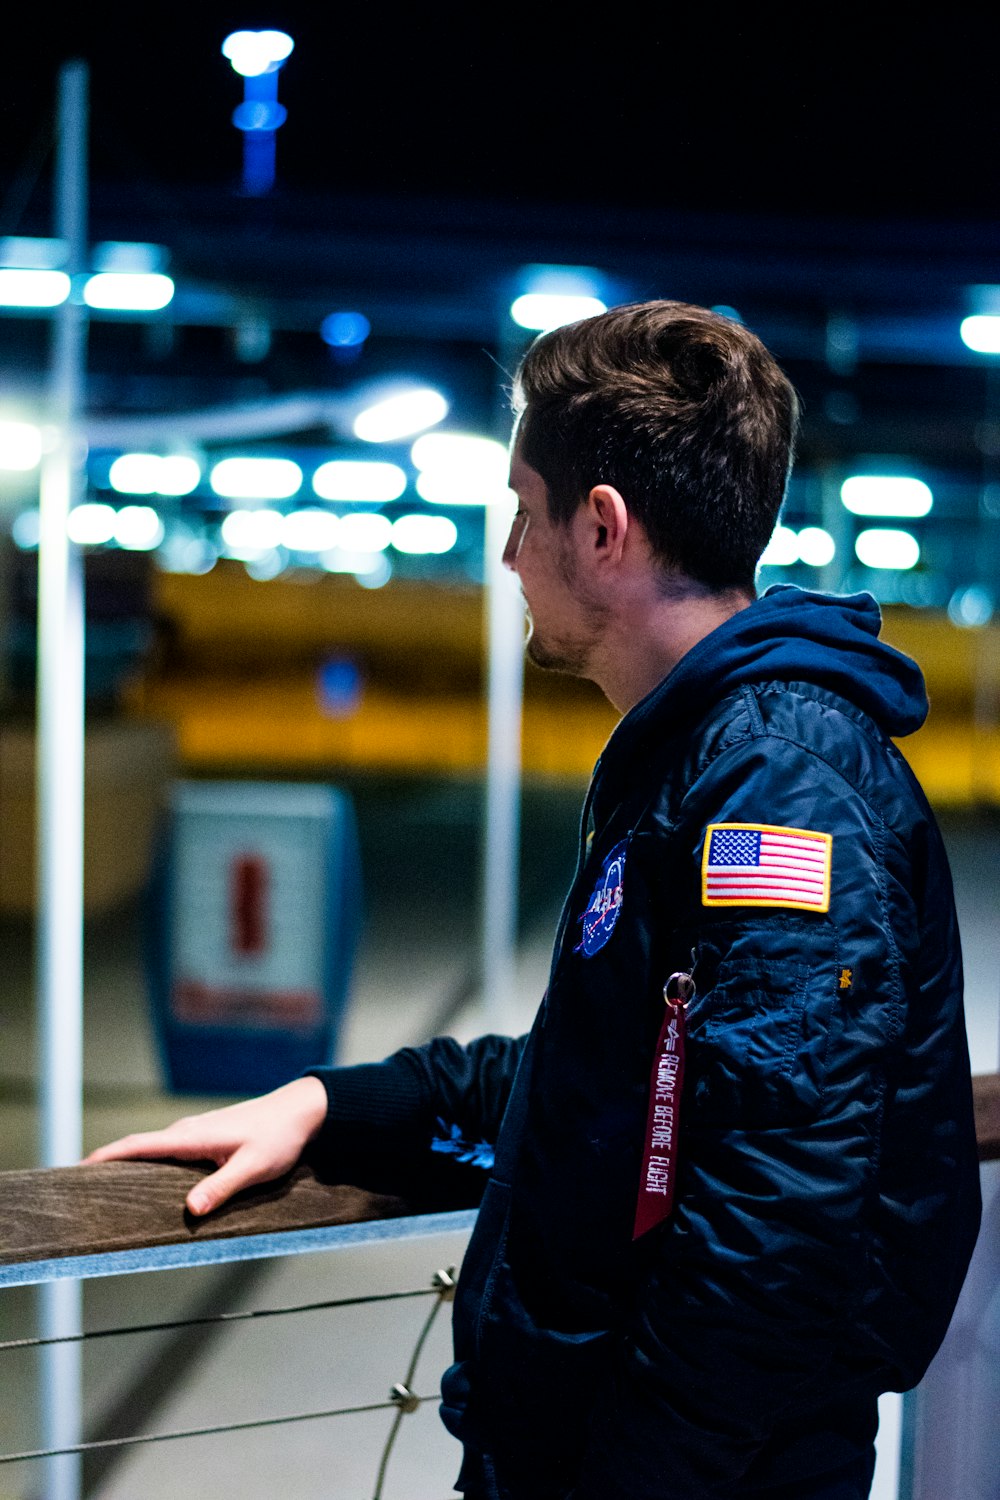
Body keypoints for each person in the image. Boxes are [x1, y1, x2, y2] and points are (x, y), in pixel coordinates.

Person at [89, 302, 982, 1500]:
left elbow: (773, 1230)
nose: (508, 552)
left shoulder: (777, 786)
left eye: (523, 509)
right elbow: (612, 1078)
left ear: (601, 528)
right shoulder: (701, 756)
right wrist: (334, 1104)